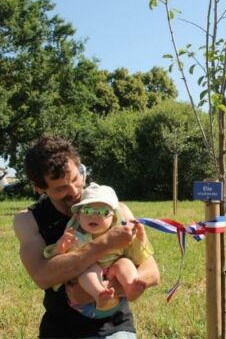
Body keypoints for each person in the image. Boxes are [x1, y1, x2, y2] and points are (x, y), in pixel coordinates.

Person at [14, 136, 160, 338]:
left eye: (75, 178)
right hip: (61, 330)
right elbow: (42, 276)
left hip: (115, 327)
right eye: (60, 188)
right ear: (39, 188)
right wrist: (106, 243)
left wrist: (105, 290)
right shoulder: (29, 220)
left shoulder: (113, 209)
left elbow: (152, 272)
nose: (74, 191)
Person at [44, 182, 154, 318]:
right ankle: (100, 294)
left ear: (113, 218)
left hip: (116, 300)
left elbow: (138, 258)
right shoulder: (74, 236)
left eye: (102, 212)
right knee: (88, 269)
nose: (94, 216)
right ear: (78, 216)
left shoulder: (120, 236)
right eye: (88, 211)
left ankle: (130, 287)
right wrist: (60, 249)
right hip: (83, 304)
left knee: (125, 262)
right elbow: (56, 266)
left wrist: (139, 239)